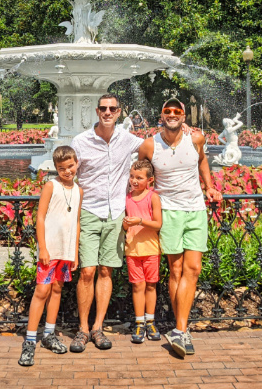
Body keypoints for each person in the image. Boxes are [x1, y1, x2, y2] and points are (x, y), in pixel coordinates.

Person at [69, 95, 189, 352]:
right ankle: (82, 329)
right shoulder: (80, 141)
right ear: (97, 111)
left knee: (105, 272)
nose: (108, 112)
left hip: (116, 215)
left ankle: (97, 328)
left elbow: (156, 142)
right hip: (90, 210)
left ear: (119, 111)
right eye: (103, 108)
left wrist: (182, 128)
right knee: (87, 271)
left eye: (112, 108)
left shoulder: (128, 139)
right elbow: (68, 173)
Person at [137, 98, 222, 358]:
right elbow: (140, 172)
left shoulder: (195, 139)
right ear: (161, 115)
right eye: (167, 111)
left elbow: (202, 161)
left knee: (193, 268)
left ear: (183, 116)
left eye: (177, 111)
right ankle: (181, 330)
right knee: (175, 270)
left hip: (195, 209)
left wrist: (209, 186)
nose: (172, 114)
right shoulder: (150, 145)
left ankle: (180, 329)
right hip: (170, 212)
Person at [18, 145, 83, 367]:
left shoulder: (78, 190)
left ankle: (49, 334)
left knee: (56, 289)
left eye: (71, 166)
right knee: (42, 291)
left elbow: (76, 221)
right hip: (49, 250)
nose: (67, 171)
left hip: (65, 251)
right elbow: (41, 218)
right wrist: (42, 247)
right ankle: (29, 341)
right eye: (62, 167)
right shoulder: (50, 186)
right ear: (56, 168)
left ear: (77, 163)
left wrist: (74, 252)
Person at [122, 159, 163, 344]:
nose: (134, 180)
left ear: (150, 180)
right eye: (132, 176)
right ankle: (139, 321)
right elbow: (125, 224)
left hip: (151, 248)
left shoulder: (152, 197)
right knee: (138, 285)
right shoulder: (127, 198)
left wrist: (139, 221)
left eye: (139, 177)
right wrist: (125, 225)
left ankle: (150, 320)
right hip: (133, 249)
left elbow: (157, 224)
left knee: (151, 285)